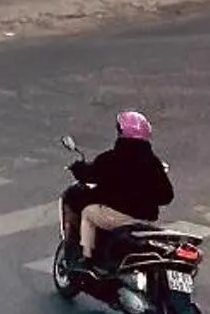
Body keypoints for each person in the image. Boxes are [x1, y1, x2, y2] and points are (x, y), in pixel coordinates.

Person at [68, 109, 175, 265]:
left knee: (88, 213)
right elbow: (167, 196)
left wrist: (78, 168)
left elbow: (90, 174)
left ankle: (86, 258)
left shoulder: (111, 158)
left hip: (117, 217)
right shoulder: (154, 163)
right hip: (145, 219)